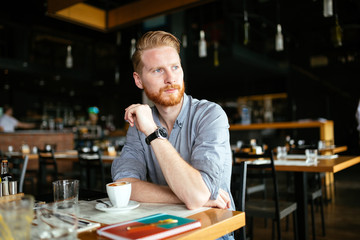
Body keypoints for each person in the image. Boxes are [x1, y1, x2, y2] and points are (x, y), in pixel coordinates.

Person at [111, 31, 234, 239]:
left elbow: (196, 196)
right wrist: (187, 197)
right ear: (138, 80)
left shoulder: (210, 115)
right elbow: (123, 188)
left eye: (175, 67)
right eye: (158, 70)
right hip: (163, 230)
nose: (170, 78)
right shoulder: (140, 124)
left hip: (212, 233)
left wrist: (152, 133)